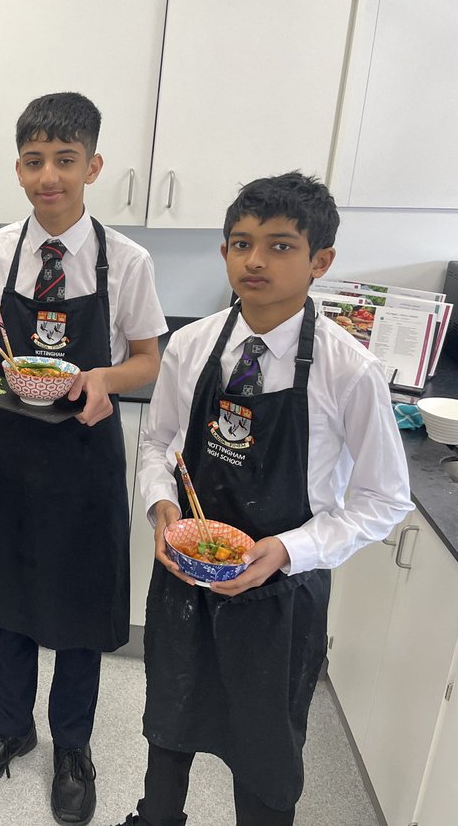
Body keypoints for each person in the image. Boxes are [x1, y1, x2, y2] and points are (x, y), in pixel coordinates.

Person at [114, 172, 413, 826]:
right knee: (169, 721)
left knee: (267, 754)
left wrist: (287, 549)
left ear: (320, 262)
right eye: (241, 243)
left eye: (280, 246)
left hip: (281, 598)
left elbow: (386, 498)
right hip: (187, 583)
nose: (255, 260)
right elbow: (157, 441)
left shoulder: (346, 369)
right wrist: (162, 503)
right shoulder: (192, 347)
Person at [0, 92, 166, 826]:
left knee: (80, 613)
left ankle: (72, 744)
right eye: (34, 161)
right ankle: (10, 729)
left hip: (85, 460)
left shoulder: (126, 260)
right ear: (18, 168)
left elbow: (148, 360)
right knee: (10, 605)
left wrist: (105, 378)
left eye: (65, 161)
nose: (49, 176)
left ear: (92, 165)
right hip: (11, 455)